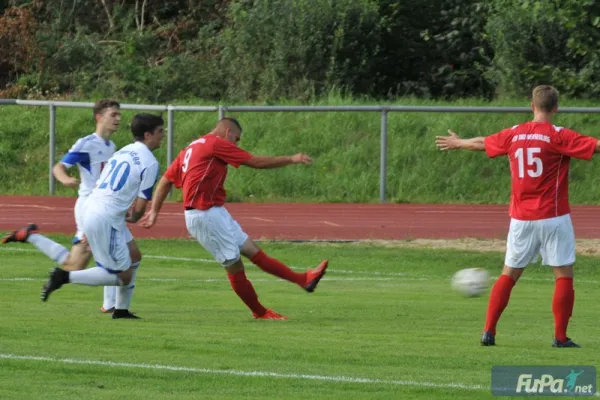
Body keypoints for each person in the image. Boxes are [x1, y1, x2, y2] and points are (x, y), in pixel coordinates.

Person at [435, 85, 600, 348]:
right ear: (556, 107)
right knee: (563, 276)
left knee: (508, 274)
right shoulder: (559, 136)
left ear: (532, 105)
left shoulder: (515, 133)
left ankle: (488, 331)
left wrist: (458, 142)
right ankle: (560, 337)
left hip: (521, 219)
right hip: (553, 217)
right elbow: (596, 146)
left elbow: (483, 142)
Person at [139, 117, 328, 320]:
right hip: (204, 215)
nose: (236, 144)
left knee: (253, 251)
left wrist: (154, 211)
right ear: (228, 132)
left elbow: (167, 179)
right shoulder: (216, 143)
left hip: (215, 212)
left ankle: (304, 280)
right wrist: (291, 159)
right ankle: (260, 312)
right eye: (236, 139)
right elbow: (255, 162)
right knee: (235, 266)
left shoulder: (192, 147)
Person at [1, 98, 140, 314]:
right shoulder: (87, 143)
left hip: (104, 208)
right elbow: (59, 167)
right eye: (113, 115)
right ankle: (33, 237)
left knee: (128, 255)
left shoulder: (111, 146)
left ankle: (111, 305)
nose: (118, 119)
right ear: (99, 117)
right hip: (90, 208)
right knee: (76, 265)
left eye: (119, 115)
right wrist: (64, 179)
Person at [40, 113, 164, 320]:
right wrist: (135, 217)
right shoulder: (149, 162)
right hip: (106, 216)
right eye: (161, 132)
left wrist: (89, 225)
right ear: (148, 134)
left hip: (95, 209)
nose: (163, 135)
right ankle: (64, 276)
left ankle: (121, 310)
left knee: (134, 256)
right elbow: (141, 205)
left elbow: (101, 185)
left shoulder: (122, 151)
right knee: (121, 276)